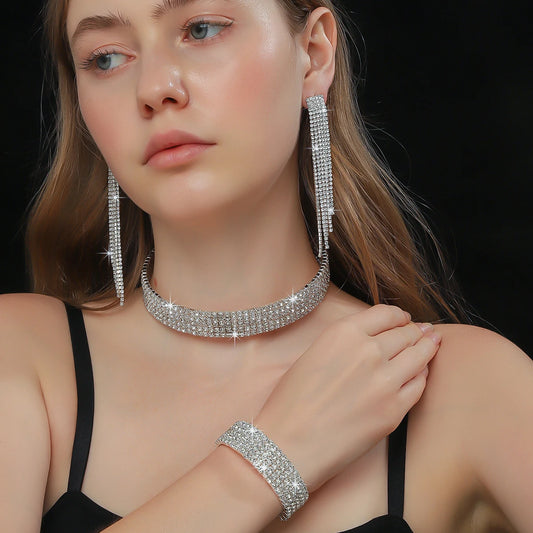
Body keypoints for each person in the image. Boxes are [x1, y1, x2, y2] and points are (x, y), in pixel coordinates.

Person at [0, 0, 531, 532]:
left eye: (201, 30)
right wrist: (272, 458)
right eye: (107, 58)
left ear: (314, 53)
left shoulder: (462, 387)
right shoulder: (23, 356)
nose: (154, 88)